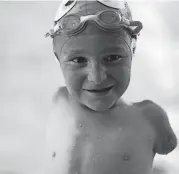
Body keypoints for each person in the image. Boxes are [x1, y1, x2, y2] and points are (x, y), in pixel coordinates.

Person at [44, 1, 178, 174]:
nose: (97, 77)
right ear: (58, 59)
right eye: (78, 60)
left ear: (133, 50)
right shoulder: (60, 101)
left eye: (113, 57)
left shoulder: (151, 119)